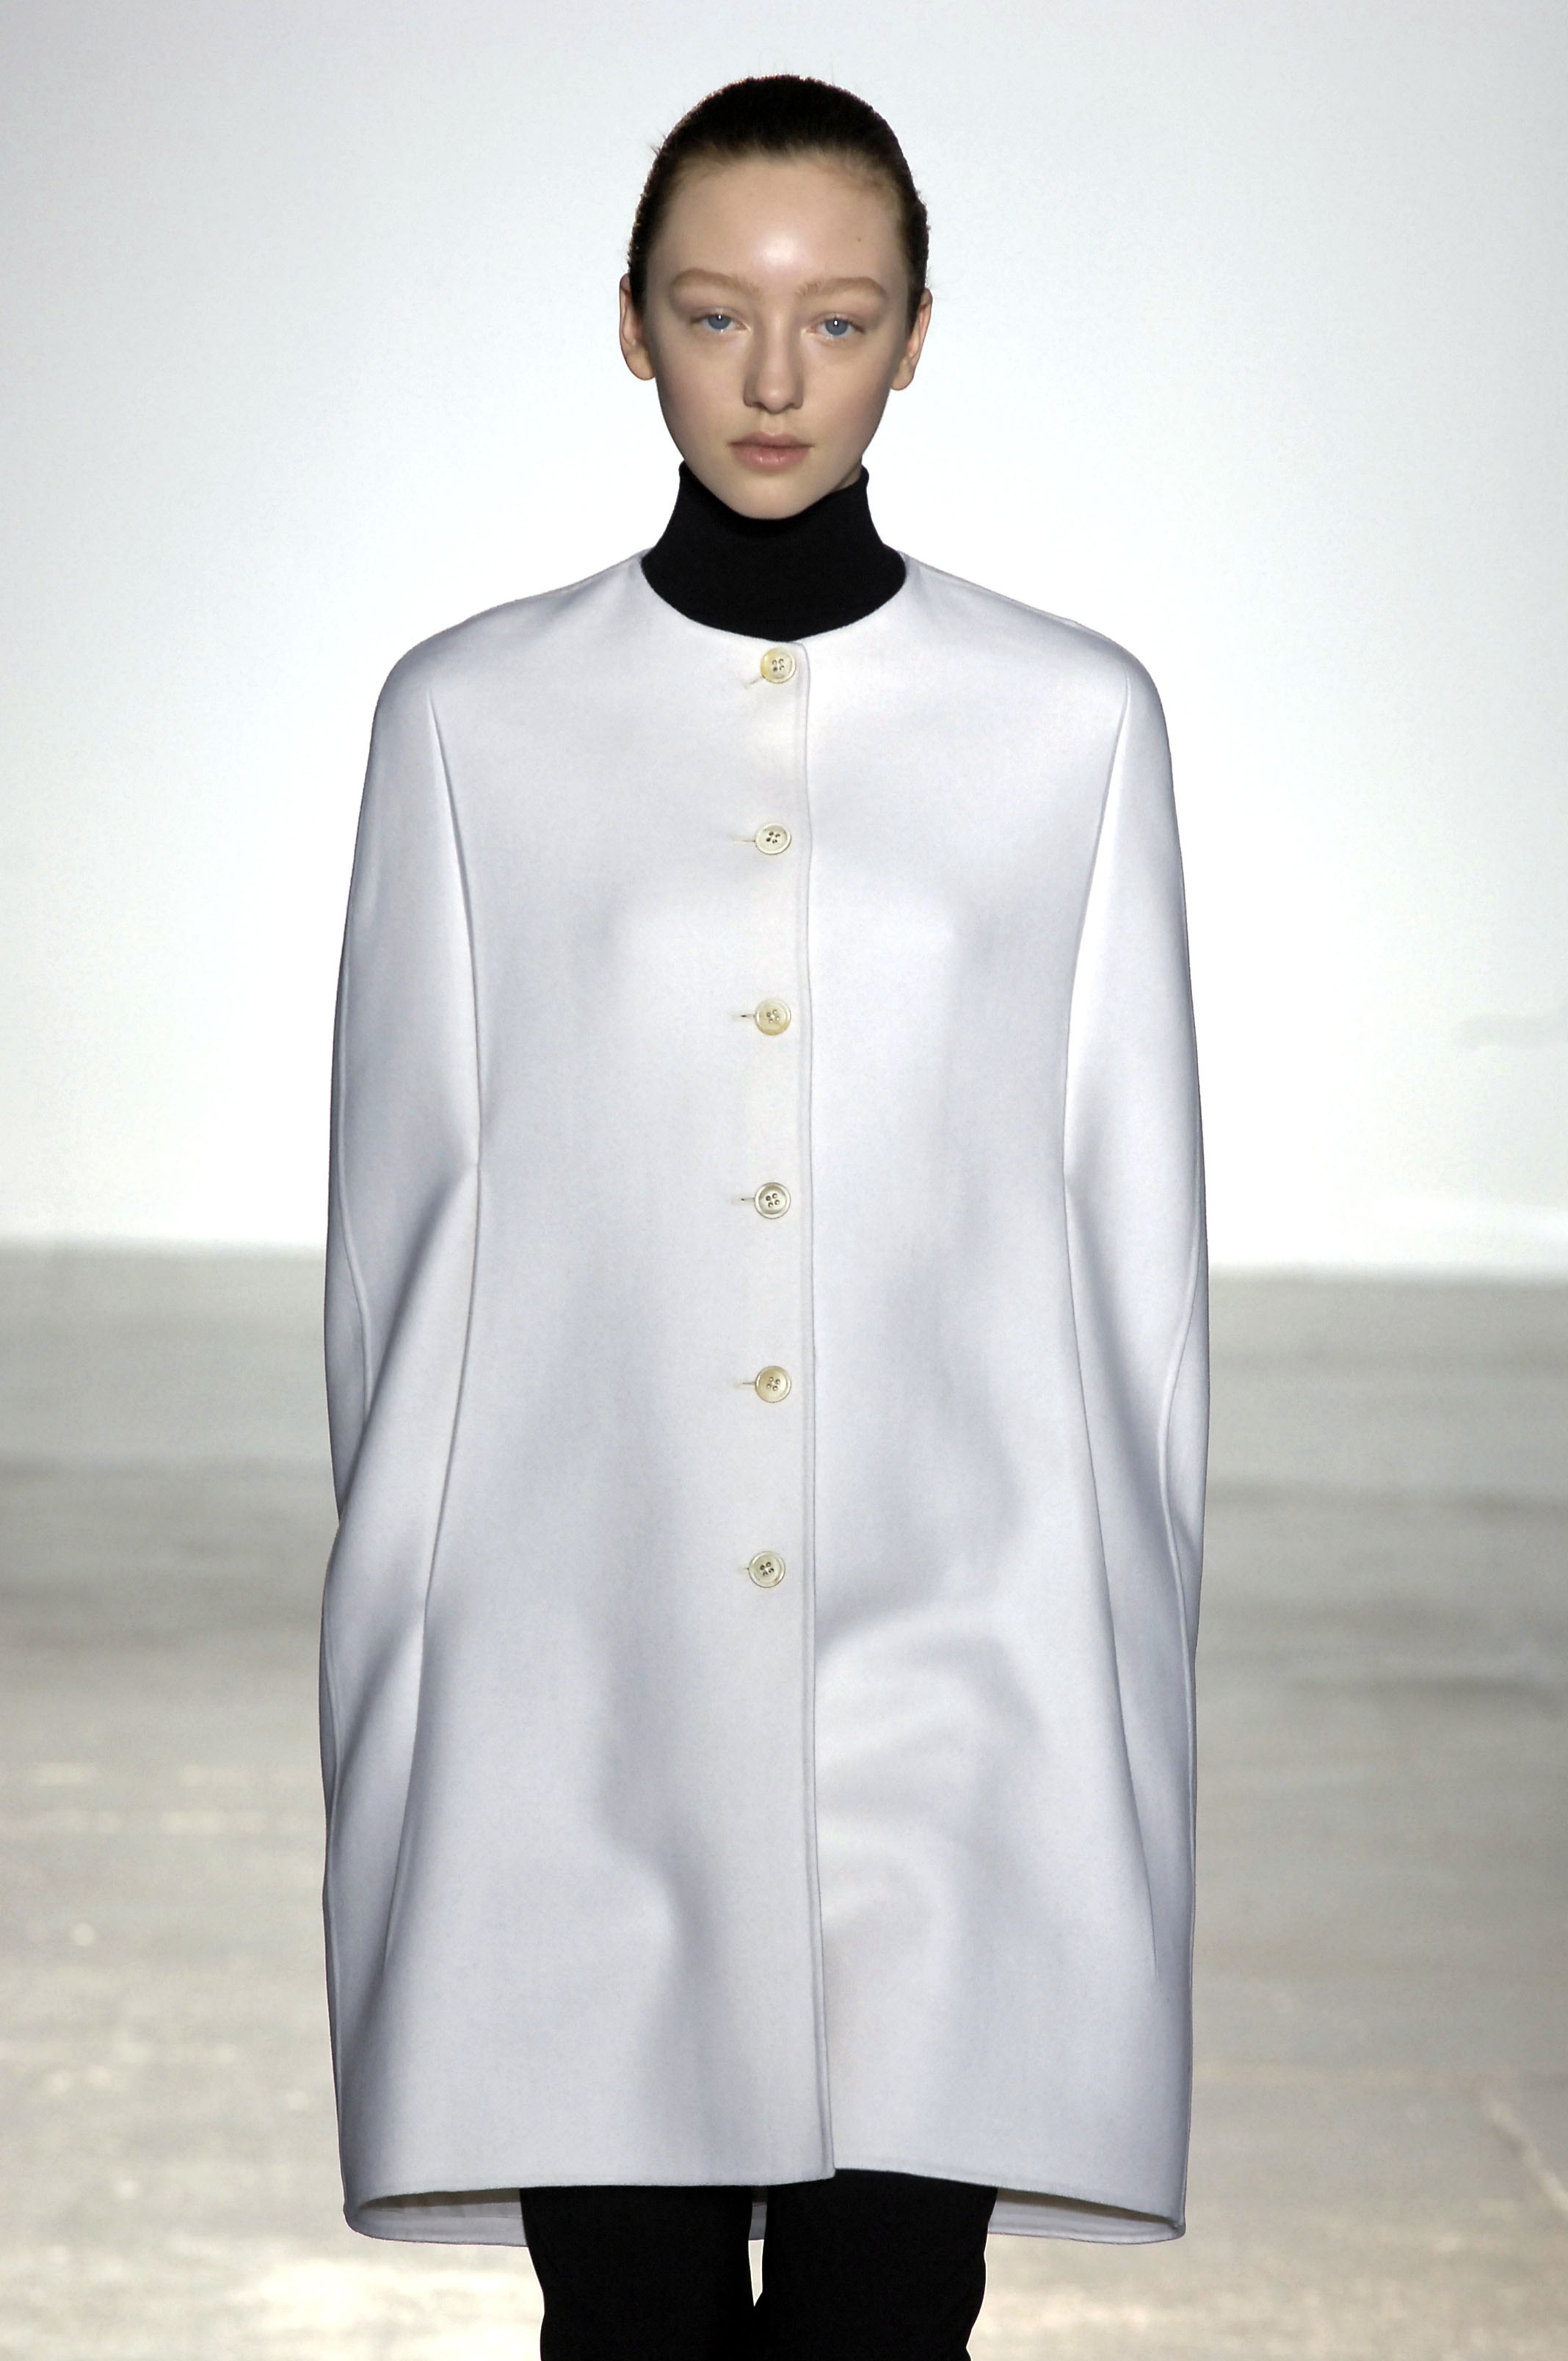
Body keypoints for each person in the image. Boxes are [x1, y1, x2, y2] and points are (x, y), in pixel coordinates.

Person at [321, 73, 1208, 2361]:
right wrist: (409, 1684)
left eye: (842, 316)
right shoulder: (470, 721)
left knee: (889, 2329)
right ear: (632, 328)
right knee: (623, 2335)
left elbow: (1134, 1270)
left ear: (918, 335)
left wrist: (1119, 1704)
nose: (778, 378)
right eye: (718, 314)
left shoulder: (1073, 726)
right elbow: (403, 1254)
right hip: (575, 1684)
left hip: (965, 1674)